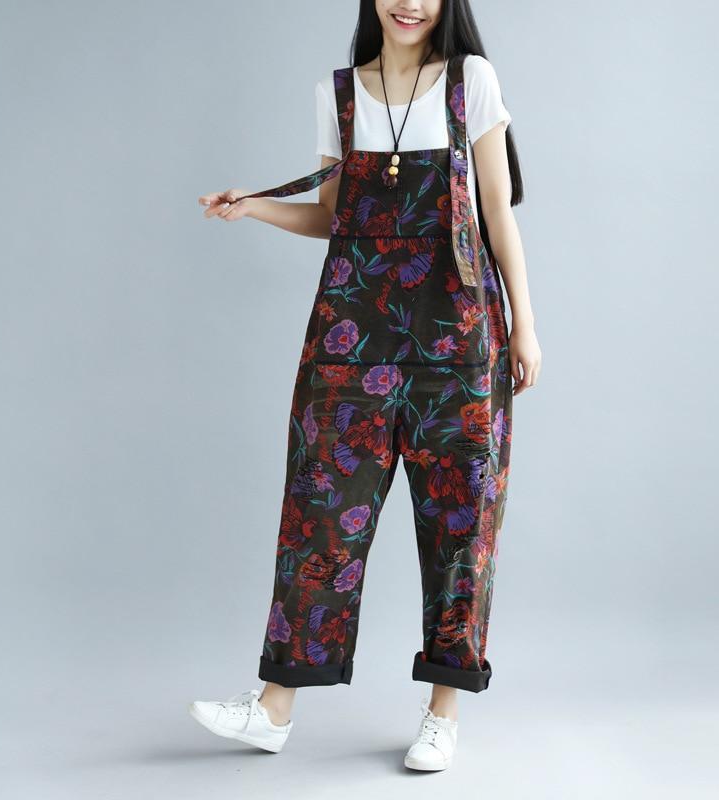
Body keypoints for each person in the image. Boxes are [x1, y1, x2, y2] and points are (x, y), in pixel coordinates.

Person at [190, 0, 541, 772]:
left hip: (459, 337)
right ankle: (273, 708)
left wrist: (525, 323)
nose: (409, 3)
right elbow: (334, 217)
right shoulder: (339, 93)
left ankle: (443, 712)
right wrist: (255, 208)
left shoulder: (471, 82)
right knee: (318, 513)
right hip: (350, 335)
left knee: (460, 524)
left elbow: (495, 209)